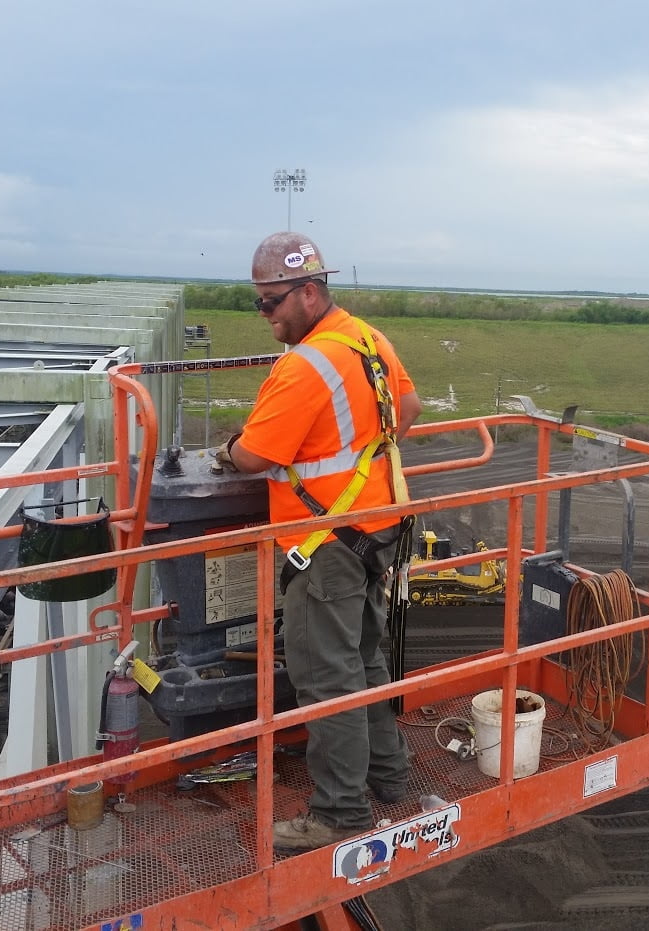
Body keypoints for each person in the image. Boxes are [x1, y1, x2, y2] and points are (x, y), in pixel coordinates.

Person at [214, 231, 421, 850]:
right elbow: (408, 408)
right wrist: (352, 455)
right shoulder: (366, 338)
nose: (264, 314)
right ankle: (389, 776)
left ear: (308, 292)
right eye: (258, 302)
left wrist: (226, 450)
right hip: (376, 528)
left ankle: (340, 813)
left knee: (328, 678)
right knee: (364, 659)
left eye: (271, 302)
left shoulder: (304, 365)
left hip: (325, 543)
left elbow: (254, 455)